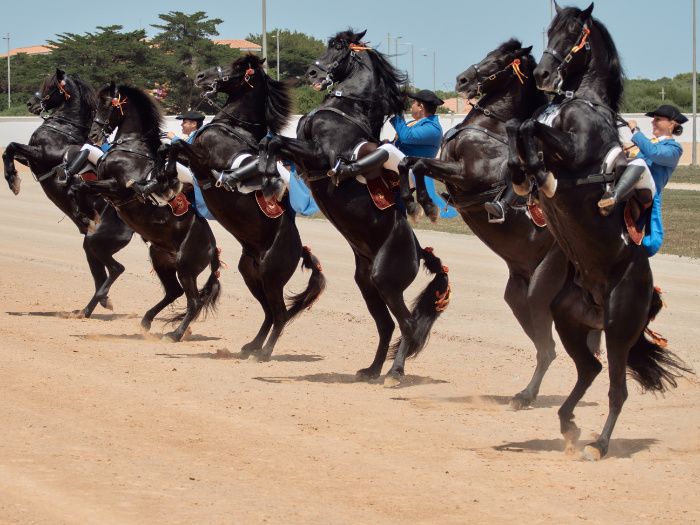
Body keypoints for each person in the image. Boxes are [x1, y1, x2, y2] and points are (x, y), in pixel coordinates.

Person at [331, 89, 456, 217]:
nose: (411, 105)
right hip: (402, 169)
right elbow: (403, 142)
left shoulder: (433, 128)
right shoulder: (415, 123)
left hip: (414, 172)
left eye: (414, 102)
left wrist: (397, 113)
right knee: (395, 211)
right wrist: (391, 143)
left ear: (421, 107)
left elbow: (407, 137)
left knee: (389, 150)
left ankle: (348, 170)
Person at [598, 104, 685, 256]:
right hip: (633, 187)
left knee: (640, 164)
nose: (653, 122)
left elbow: (653, 153)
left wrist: (635, 130)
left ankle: (612, 198)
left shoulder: (674, 149)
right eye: (653, 119)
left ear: (672, 124)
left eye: (658, 119)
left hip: (651, 191)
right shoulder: (651, 143)